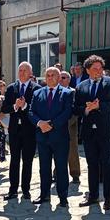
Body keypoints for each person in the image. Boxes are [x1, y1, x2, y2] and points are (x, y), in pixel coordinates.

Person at [74, 55, 110, 210]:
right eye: (95, 69)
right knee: (91, 164)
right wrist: (86, 109)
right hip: (88, 132)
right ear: (87, 70)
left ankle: (108, 199)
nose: (98, 71)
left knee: (107, 164)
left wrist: (99, 107)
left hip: (106, 131)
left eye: (100, 68)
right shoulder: (81, 86)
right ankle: (93, 196)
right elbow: (76, 107)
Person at [29, 67, 73, 207]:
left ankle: (63, 197)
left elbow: (67, 113)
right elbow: (31, 112)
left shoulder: (67, 93)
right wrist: (39, 123)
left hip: (60, 138)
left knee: (61, 168)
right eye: (47, 75)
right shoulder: (37, 93)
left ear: (59, 77)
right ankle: (44, 195)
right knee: (44, 168)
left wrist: (51, 125)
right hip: (42, 137)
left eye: (53, 75)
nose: (49, 77)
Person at [1, 62, 40, 200]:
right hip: (14, 131)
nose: (22, 72)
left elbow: (37, 110)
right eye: (20, 70)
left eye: (25, 70)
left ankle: (26, 189)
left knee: (27, 161)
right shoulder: (11, 88)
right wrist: (15, 106)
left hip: (29, 131)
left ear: (30, 73)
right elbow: (4, 108)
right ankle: (13, 190)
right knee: (14, 161)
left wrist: (25, 106)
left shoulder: (37, 89)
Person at [60, 70, 80, 184]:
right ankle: (57, 172)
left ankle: (75, 174)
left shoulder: (74, 92)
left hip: (70, 125)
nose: (61, 79)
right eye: (60, 77)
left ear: (68, 79)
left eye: (63, 78)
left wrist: (67, 122)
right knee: (58, 150)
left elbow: (75, 110)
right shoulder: (56, 91)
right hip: (58, 126)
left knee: (72, 150)